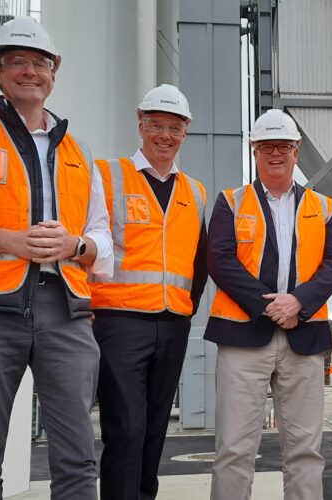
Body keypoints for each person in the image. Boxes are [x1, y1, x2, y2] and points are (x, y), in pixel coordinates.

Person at [0, 16, 112, 499]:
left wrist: (75, 246)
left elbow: (102, 238)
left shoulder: (79, 152)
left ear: (55, 71)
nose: (29, 72)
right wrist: (9, 241)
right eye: (17, 61)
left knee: (79, 461)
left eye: (39, 62)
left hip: (66, 313)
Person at [206, 109, 332, 500]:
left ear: (296, 151)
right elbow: (220, 260)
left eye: (283, 146)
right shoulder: (231, 202)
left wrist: (299, 301)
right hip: (243, 336)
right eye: (266, 146)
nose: (275, 153)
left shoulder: (323, 207)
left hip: (305, 336)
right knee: (234, 450)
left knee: (305, 452)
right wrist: (269, 306)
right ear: (254, 150)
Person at [90, 84, 207, 499]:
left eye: (174, 128)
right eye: (156, 125)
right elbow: (88, 242)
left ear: (185, 131)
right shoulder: (106, 175)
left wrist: (185, 310)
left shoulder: (195, 192)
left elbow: (199, 262)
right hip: (118, 320)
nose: (165, 135)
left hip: (173, 323)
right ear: (140, 124)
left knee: (156, 428)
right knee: (126, 427)